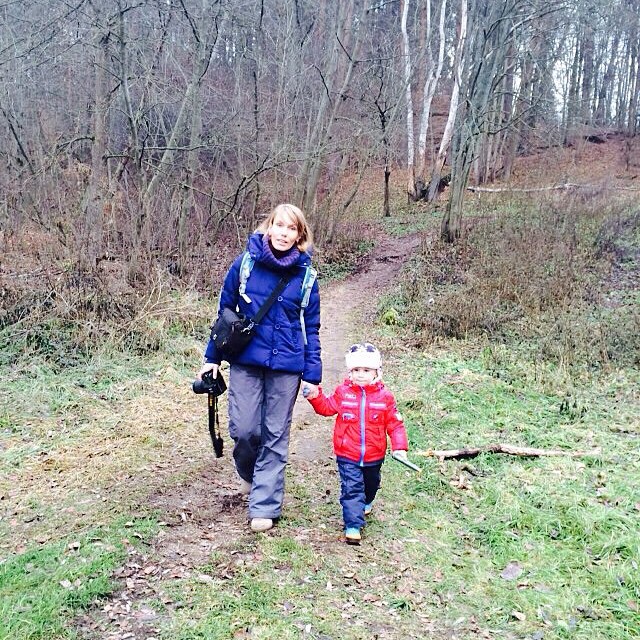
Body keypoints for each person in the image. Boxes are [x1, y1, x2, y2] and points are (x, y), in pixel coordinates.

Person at [197, 204, 321, 533]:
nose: (283, 233)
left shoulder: (306, 277)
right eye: (279, 225)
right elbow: (225, 314)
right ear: (269, 227)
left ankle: (264, 505)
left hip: (287, 366)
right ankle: (249, 474)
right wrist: (212, 357)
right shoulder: (245, 264)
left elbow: (311, 328)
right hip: (247, 360)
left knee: (275, 435)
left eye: (291, 228)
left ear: (300, 236)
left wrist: (312, 374)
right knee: (245, 430)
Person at [304, 342, 408, 544]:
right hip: (347, 454)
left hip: (374, 454)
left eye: (366, 370)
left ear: (377, 372)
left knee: (371, 484)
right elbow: (327, 408)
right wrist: (315, 397)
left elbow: (395, 424)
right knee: (352, 488)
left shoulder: (385, 397)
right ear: (350, 372)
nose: (361, 375)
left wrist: (400, 447)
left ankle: (367, 500)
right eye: (356, 370)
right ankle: (353, 525)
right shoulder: (343, 393)